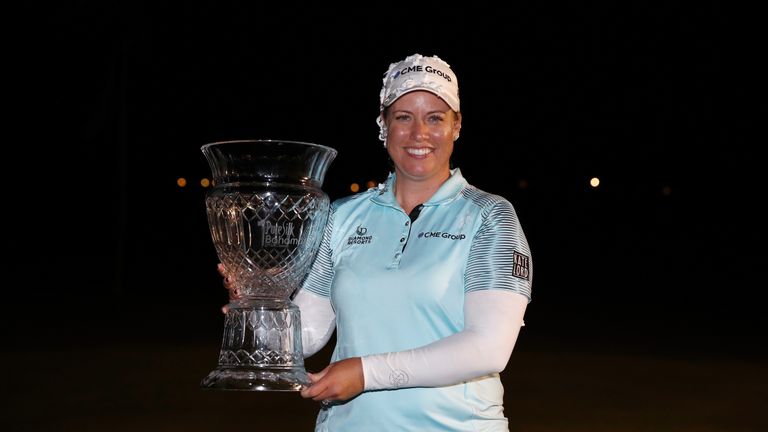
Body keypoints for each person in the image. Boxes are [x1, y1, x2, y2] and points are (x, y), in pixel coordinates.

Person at [220, 53, 532, 431]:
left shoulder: (490, 216)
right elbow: (306, 337)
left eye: (435, 118)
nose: (419, 134)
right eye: (403, 117)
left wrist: (366, 373)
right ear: (383, 125)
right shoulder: (340, 216)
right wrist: (258, 302)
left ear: (456, 126)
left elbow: (489, 349)